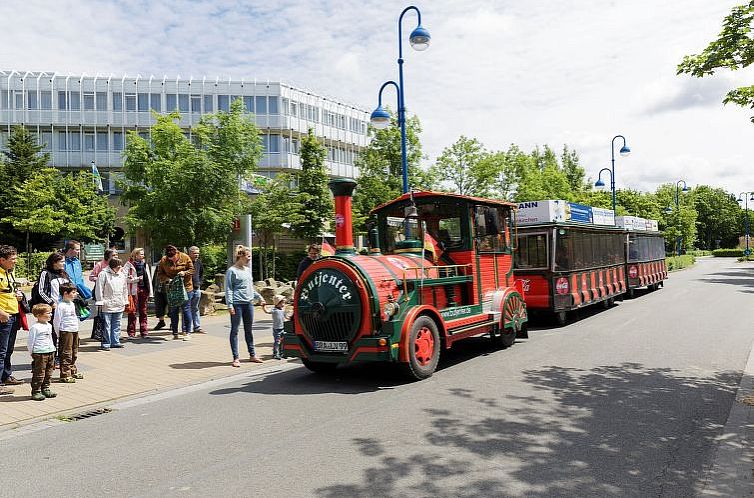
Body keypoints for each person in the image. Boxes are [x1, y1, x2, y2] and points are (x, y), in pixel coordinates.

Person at [225, 245, 264, 367]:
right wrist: (230, 305)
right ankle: (236, 358)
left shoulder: (247, 270)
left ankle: (252, 355)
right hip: (237, 304)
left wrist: (260, 297)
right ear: (240, 256)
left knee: (249, 330)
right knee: (235, 330)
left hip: (248, 304)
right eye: (248, 256)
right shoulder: (232, 271)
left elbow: (250, 287)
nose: (249, 259)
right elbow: (229, 289)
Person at [38, 252, 71, 361]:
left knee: (64, 333)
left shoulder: (64, 273)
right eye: (61, 261)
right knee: (52, 333)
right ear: (54, 262)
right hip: (53, 309)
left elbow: (71, 288)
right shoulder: (45, 273)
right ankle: (51, 358)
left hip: (65, 309)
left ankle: (62, 357)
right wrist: (52, 303)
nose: (64, 263)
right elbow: (41, 291)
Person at [157, 245, 194, 341]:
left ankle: (187, 332)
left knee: (186, 309)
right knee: (173, 311)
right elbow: (160, 274)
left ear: (177, 253)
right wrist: (167, 279)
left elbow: (192, 270)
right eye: (170, 258)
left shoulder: (185, 257)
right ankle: (175, 333)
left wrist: (184, 273)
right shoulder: (164, 260)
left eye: (173, 257)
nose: (172, 260)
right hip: (172, 289)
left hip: (186, 288)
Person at [0, 245, 23, 394]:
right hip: (3, 316)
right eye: (12, 259)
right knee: (1, 351)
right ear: (2, 260)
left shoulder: (10, 272)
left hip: (13, 315)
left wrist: (18, 295)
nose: (15, 262)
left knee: (9, 349)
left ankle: (6, 376)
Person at [95, 258, 130, 350]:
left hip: (119, 303)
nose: (120, 268)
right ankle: (106, 343)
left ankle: (115, 341)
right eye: (118, 266)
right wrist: (100, 301)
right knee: (106, 324)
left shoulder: (121, 275)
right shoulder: (103, 274)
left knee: (117, 324)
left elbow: (124, 289)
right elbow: (99, 288)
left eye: (120, 266)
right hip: (107, 304)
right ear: (112, 266)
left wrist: (125, 301)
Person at [53, 283, 83, 383]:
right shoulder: (61, 306)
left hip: (74, 330)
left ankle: (72, 370)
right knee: (66, 353)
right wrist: (59, 334)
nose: (76, 294)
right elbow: (56, 321)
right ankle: (65, 374)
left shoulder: (72, 304)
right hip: (66, 331)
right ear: (65, 293)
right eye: (73, 292)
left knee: (74, 351)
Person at [27, 304, 57, 401]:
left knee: (49, 372)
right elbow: (31, 341)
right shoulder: (35, 327)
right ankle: (36, 391)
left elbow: (50, 338)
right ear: (39, 315)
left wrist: (53, 348)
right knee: (39, 373)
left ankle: (46, 388)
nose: (51, 315)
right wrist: (31, 352)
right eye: (48, 313)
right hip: (40, 352)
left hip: (50, 351)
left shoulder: (49, 325)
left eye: (51, 313)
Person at [123, 248, 153, 338]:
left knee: (143, 311)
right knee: (132, 311)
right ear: (135, 255)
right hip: (133, 290)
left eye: (143, 254)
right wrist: (135, 279)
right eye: (141, 254)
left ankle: (144, 332)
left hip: (144, 289)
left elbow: (148, 279)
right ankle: (131, 332)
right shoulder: (128, 264)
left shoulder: (145, 264)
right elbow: (124, 278)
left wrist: (150, 292)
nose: (143, 256)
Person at [262, 295, 290, 360]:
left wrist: (290, 317)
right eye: (282, 303)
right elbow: (267, 311)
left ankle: (282, 353)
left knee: (283, 341)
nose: (283, 305)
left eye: (284, 303)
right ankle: (275, 354)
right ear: (278, 303)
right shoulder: (274, 310)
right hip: (277, 329)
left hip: (283, 328)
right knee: (277, 341)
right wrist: (263, 307)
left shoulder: (283, 310)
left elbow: (286, 317)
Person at [186, 246, 204, 334]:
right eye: (194, 253)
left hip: (197, 288)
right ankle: (186, 328)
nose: (196, 255)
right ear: (190, 253)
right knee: (186, 308)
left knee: (195, 308)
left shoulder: (199, 263)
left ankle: (197, 327)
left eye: (198, 253)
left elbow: (201, 273)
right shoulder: (185, 262)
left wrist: (199, 283)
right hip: (187, 289)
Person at [152, 264, 168, 330]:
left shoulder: (172, 265)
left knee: (171, 307)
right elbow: (155, 277)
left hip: (168, 289)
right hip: (158, 289)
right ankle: (161, 322)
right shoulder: (159, 265)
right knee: (159, 306)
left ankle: (172, 323)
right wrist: (152, 288)